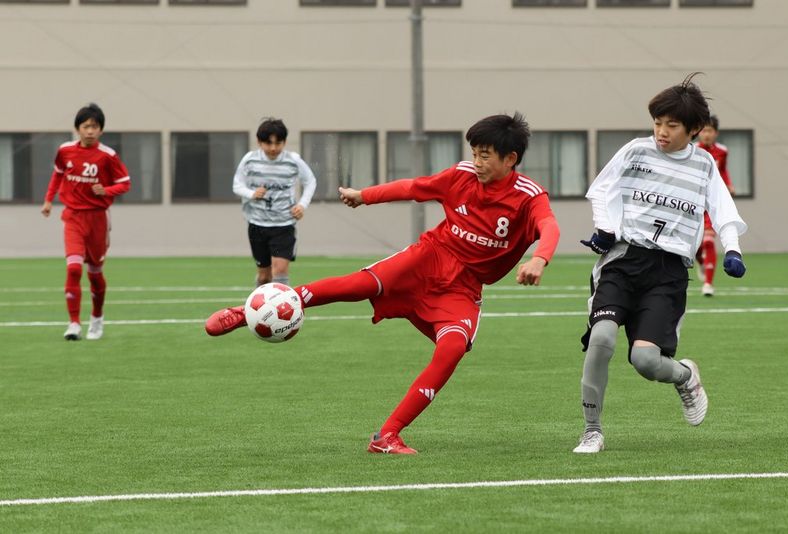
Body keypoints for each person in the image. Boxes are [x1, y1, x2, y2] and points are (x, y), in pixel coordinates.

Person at [206, 113, 560, 454]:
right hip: (428, 258)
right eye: (474, 154)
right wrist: (365, 195)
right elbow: (413, 187)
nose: (477, 162)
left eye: (485, 155)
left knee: (452, 349)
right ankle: (245, 313)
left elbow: (549, 226)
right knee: (359, 286)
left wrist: (539, 259)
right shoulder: (461, 176)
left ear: (510, 159)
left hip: (463, 287)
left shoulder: (529, 196)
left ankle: (387, 435)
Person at [573, 74, 747, 454]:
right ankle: (591, 431)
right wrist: (605, 229)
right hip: (623, 260)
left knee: (645, 360)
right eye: (657, 123)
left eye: (671, 125)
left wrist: (732, 249)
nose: (661, 132)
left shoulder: (704, 165)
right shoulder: (636, 151)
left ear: (693, 129)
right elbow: (601, 191)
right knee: (601, 339)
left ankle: (684, 375)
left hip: (667, 274)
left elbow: (724, 212)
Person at [41, 103, 131, 341]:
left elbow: (125, 183)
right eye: (85, 126)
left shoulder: (108, 156)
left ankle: (97, 318)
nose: (90, 131)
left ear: (101, 130)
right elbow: (58, 174)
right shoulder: (65, 151)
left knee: (94, 274)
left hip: (98, 220)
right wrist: (48, 200)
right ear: (77, 129)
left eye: (95, 126)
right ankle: (73, 324)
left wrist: (106, 190)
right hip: (72, 217)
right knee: (73, 268)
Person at [233, 117, 317, 287]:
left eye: (278, 143)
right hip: (257, 225)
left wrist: (302, 205)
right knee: (264, 276)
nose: (273, 148)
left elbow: (310, 181)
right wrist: (252, 193)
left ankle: (283, 305)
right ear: (259, 142)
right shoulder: (249, 160)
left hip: (284, 225)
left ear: (284, 142)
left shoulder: (293, 160)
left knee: (279, 271)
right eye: (268, 143)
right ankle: (258, 303)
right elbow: (237, 185)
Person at [695, 115, 735, 296]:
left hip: (713, 203)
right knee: (696, 245)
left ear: (716, 133)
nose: (706, 134)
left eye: (710, 130)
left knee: (709, 241)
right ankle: (702, 261)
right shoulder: (692, 150)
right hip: (695, 203)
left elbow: (723, 170)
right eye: (703, 130)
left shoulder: (722, 151)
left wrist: (729, 185)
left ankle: (708, 284)